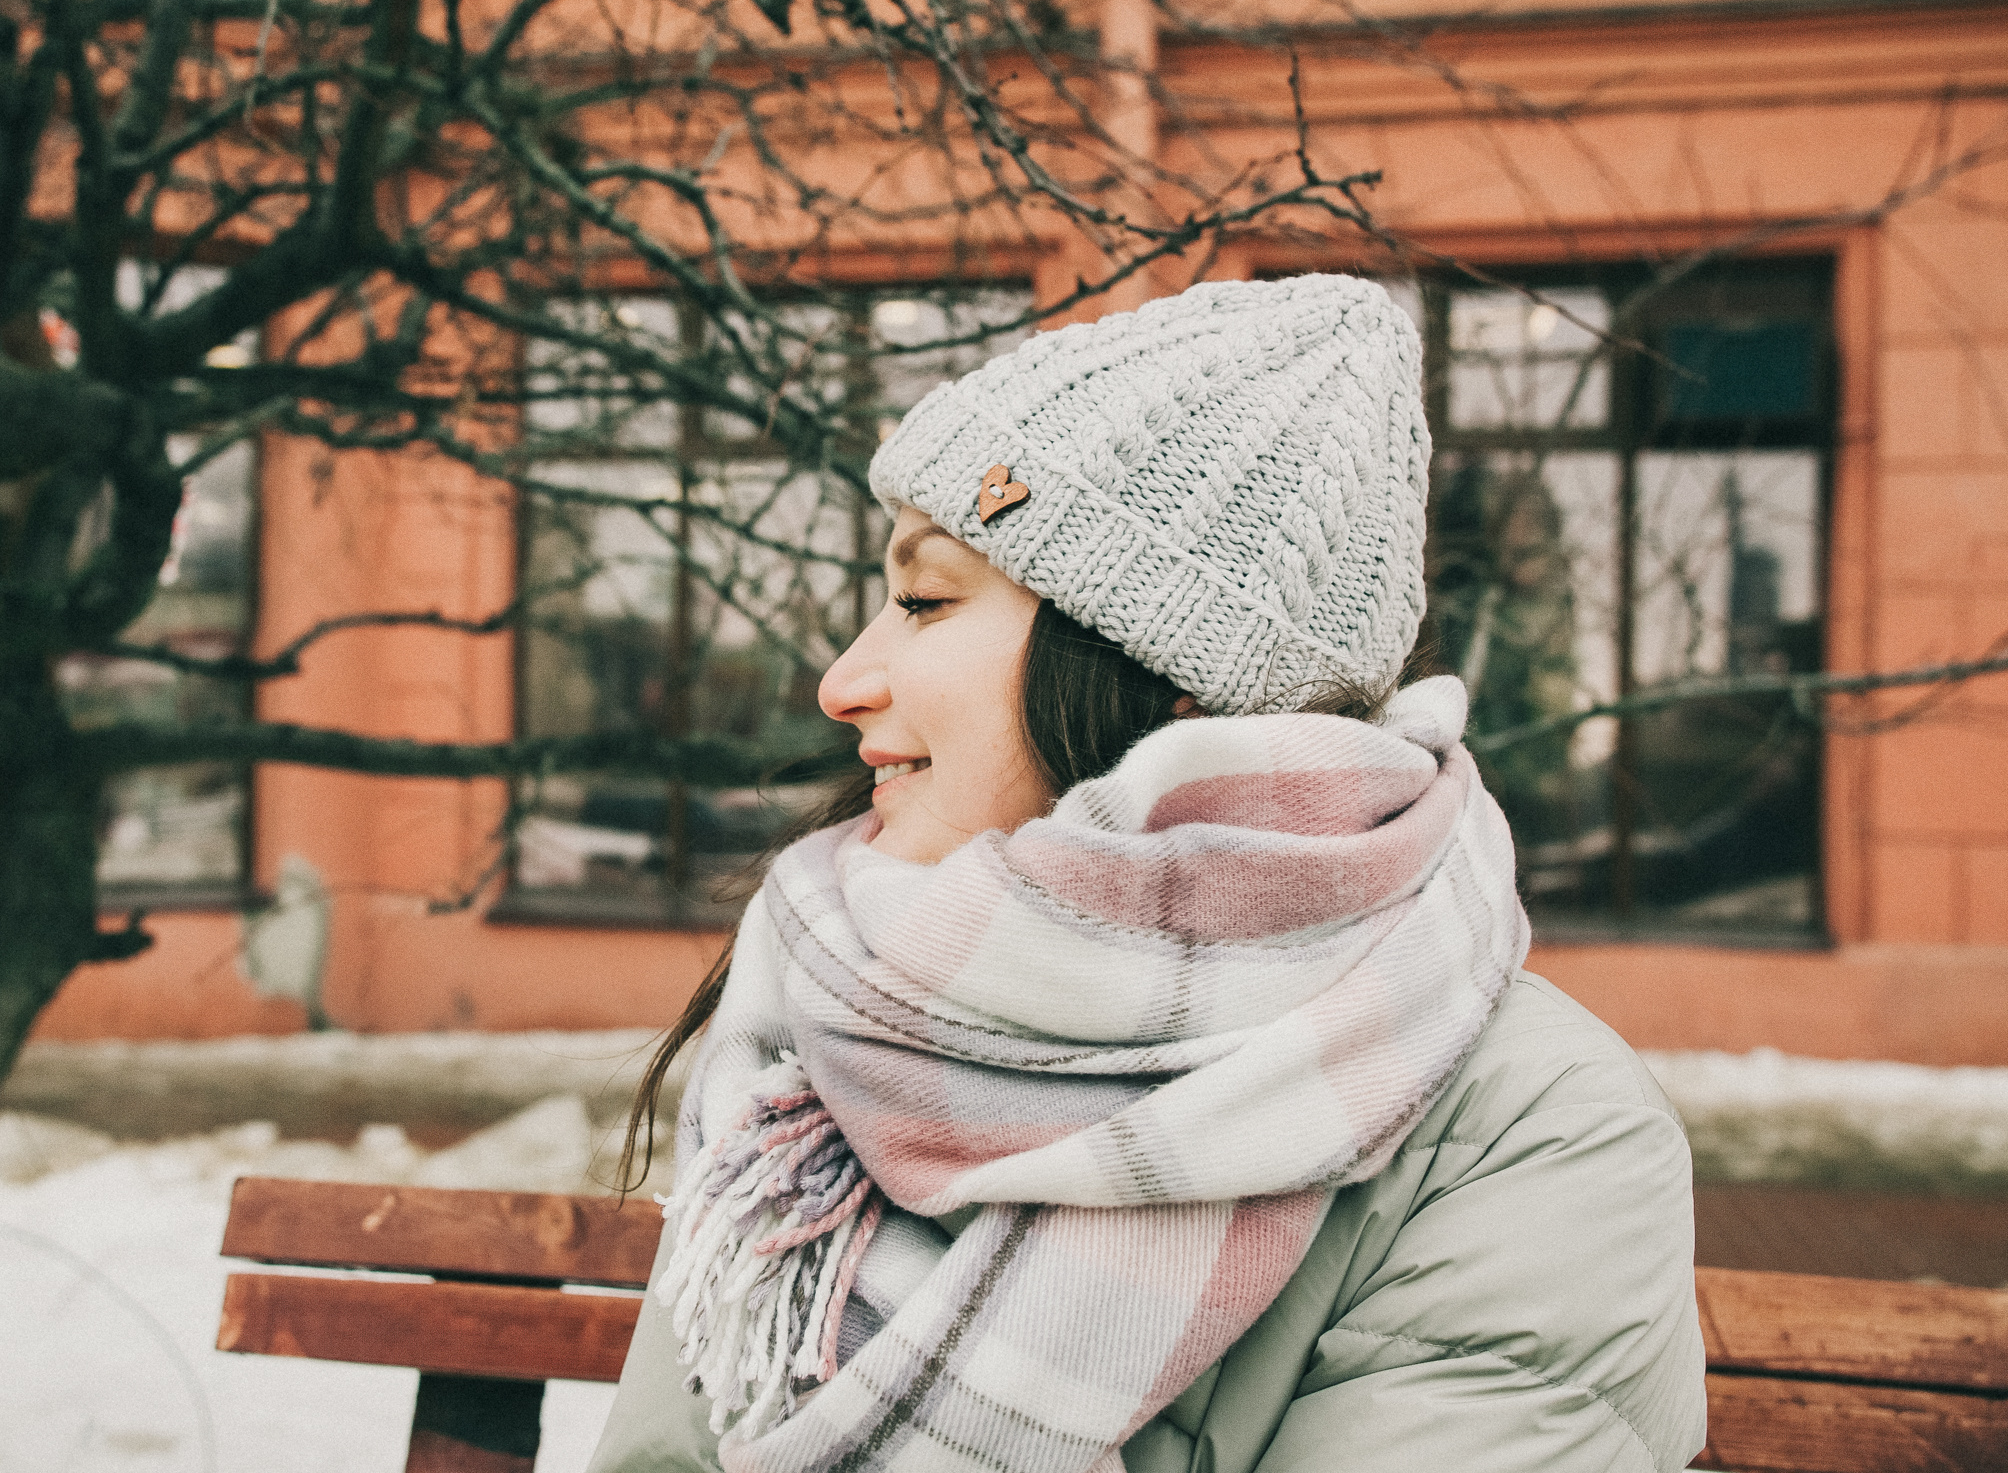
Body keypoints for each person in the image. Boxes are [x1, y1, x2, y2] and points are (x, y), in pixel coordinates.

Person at [587, 274, 1707, 1473]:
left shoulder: (1536, 1133)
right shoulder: (829, 1003)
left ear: (1166, 676)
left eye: (925, 598)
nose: (842, 682)